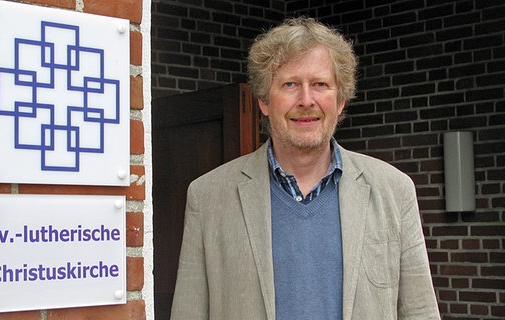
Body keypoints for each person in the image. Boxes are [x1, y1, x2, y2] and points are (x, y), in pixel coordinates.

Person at [170, 17, 440, 320]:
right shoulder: (208, 197)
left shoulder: (395, 190)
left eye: (320, 84)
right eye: (290, 84)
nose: (306, 100)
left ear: (340, 101)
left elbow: (420, 311)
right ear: (264, 101)